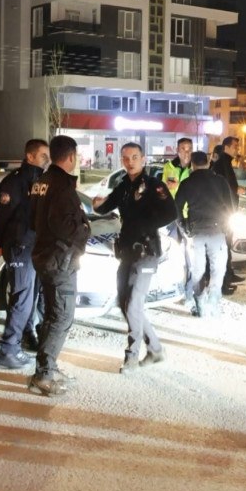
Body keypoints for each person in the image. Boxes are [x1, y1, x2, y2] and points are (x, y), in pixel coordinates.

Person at [93, 143, 177, 372]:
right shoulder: (123, 186)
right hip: (127, 252)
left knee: (133, 305)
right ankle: (156, 349)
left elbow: (171, 213)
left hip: (146, 251)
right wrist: (97, 205)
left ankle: (131, 358)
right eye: (126, 158)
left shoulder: (154, 186)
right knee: (125, 304)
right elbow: (106, 206)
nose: (130, 161)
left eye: (134, 157)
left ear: (143, 159)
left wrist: (144, 225)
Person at [28, 135, 92, 397]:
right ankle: (43, 375)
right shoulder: (62, 186)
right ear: (71, 156)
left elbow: (33, 220)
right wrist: (85, 229)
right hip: (59, 259)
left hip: (46, 257)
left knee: (53, 315)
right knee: (61, 316)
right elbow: (64, 225)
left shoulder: (42, 182)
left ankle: (48, 367)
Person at [0, 138, 49, 371]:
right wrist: (0, 244)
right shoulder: (14, 182)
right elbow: (2, 217)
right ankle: (8, 349)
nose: (47, 159)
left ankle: (27, 335)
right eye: (43, 155)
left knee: (32, 297)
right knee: (22, 299)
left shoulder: (44, 181)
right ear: (30, 156)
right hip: (20, 246)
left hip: (37, 247)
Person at [175, 150, 232, 317]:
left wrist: (184, 227)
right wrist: (226, 226)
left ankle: (199, 303)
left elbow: (176, 209)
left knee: (197, 270)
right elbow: (230, 207)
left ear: (192, 165)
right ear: (208, 163)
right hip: (217, 231)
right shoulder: (220, 181)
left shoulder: (186, 183)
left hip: (195, 232)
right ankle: (214, 302)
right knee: (218, 269)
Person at [214, 136, 243, 287]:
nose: (237, 149)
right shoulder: (221, 164)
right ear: (226, 147)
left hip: (228, 211)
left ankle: (229, 274)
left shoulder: (226, 163)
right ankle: (225, 279)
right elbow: (225, 186)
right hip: (224, 212)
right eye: (235, 146)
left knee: (227, 243)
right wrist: (237, 190)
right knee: (224, 244)